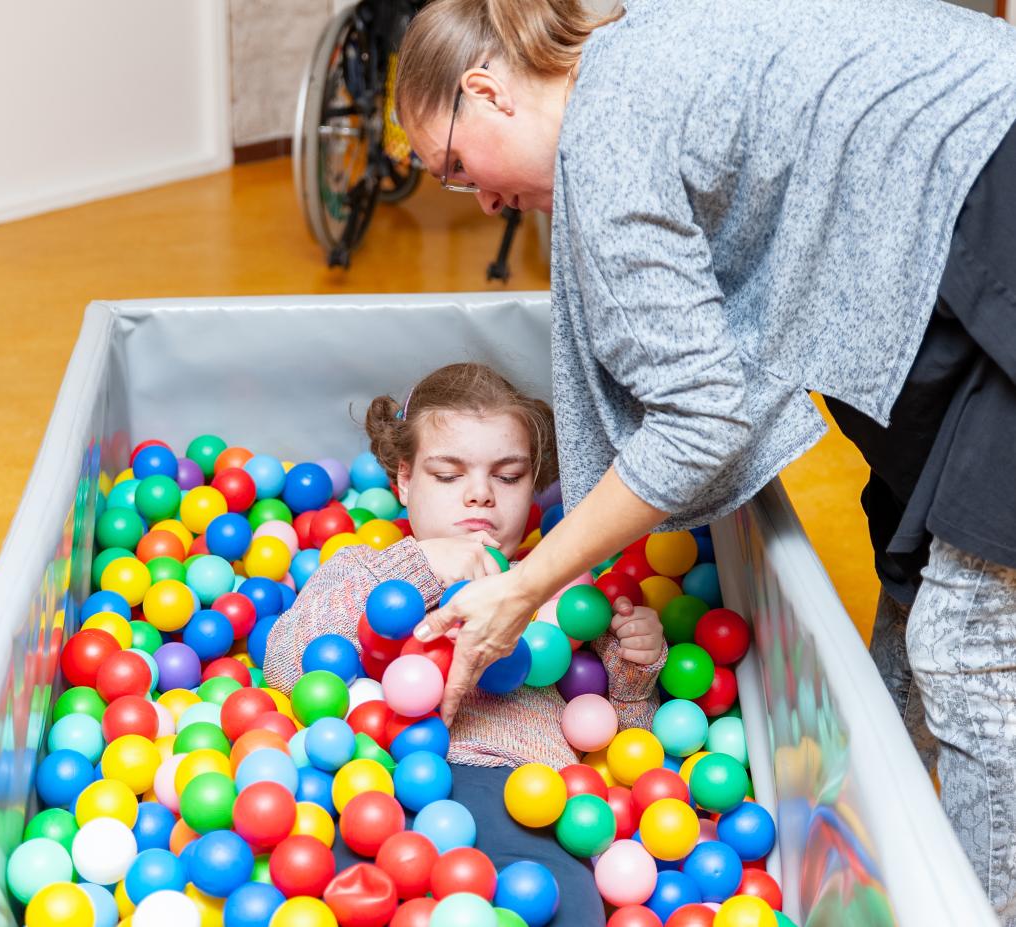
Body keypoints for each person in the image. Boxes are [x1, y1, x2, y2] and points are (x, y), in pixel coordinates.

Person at [392, 0, 1016, 920]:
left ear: (486, 93)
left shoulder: (605, 134)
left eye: (452, 167)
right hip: (960, 195)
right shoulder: (635, 47)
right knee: (922, 588)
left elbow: (701, 421)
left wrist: (525, 584)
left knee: (967, 654)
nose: (480, 199)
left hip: (988, 195)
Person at [263, 362, 667, 926]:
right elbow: (287, 667)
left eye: (507, 477)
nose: (480, 496)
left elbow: (627, 740)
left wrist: (634, 669)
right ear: (404, 480)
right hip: (374, 785)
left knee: (567, 908)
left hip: (529, 800)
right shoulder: (366, 567)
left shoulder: (563, 591)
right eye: (449, 475)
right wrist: (420, 566)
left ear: (532, 485)